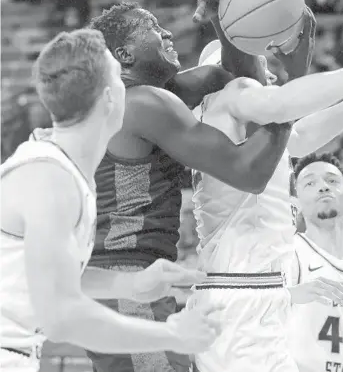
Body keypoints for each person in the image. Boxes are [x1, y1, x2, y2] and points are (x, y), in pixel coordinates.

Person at [86, 0, 293, 372]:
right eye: (152, 28)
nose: (167, 33)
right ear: (124, 56)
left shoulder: (149, 97)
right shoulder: (140, 103)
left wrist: (223, 20)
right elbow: (249, 173)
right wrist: (286, 109)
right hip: (125, 279)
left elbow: (240, 83)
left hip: (121, 282)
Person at [0, 29, 223, 372]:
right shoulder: (50, 179)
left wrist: (129, 285)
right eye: (120, 79)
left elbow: (54, 276)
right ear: (109, 98)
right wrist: (171, 337)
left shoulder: (62, 171)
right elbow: (61, 315)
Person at [186, 0, 343, 372]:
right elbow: (282, 106)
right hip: (244, 291)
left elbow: (303, 135)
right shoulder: (233, 95)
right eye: (261, 58)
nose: (271, 69)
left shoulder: (243, 124)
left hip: (247, 291)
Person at [287, 153, 343, 372]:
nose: (323, 187)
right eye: (310, 183)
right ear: (295, 204)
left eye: (332, 181)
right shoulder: (289, 253)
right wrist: (289, 295)